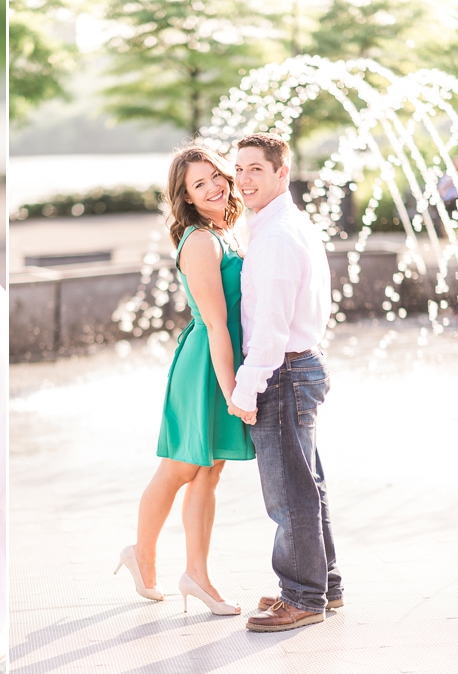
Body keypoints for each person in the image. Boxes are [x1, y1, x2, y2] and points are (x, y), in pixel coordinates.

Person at [114, 146, 254, 616]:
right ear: (187, 198)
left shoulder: (224, 231)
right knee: (180, 469)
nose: (214, 185)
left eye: (216, 175)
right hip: (207, 366)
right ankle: (141, 554)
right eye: (200, 184)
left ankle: (196, 574)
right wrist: (233, 388)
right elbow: (216, 323)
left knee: (209, 471)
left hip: (223, 358)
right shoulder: (199, 240)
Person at [229, 133, 343, 632]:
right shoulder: (286, 224)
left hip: (284, 372)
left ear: (282, 172)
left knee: (289, 494)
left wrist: (245, 389)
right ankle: (325, 586)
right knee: (308, 485)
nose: (244, 179)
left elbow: (271, 328)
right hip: (301, 366)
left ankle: (302, 598)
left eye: (256, 169)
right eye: (239, 169)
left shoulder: (275, 236)